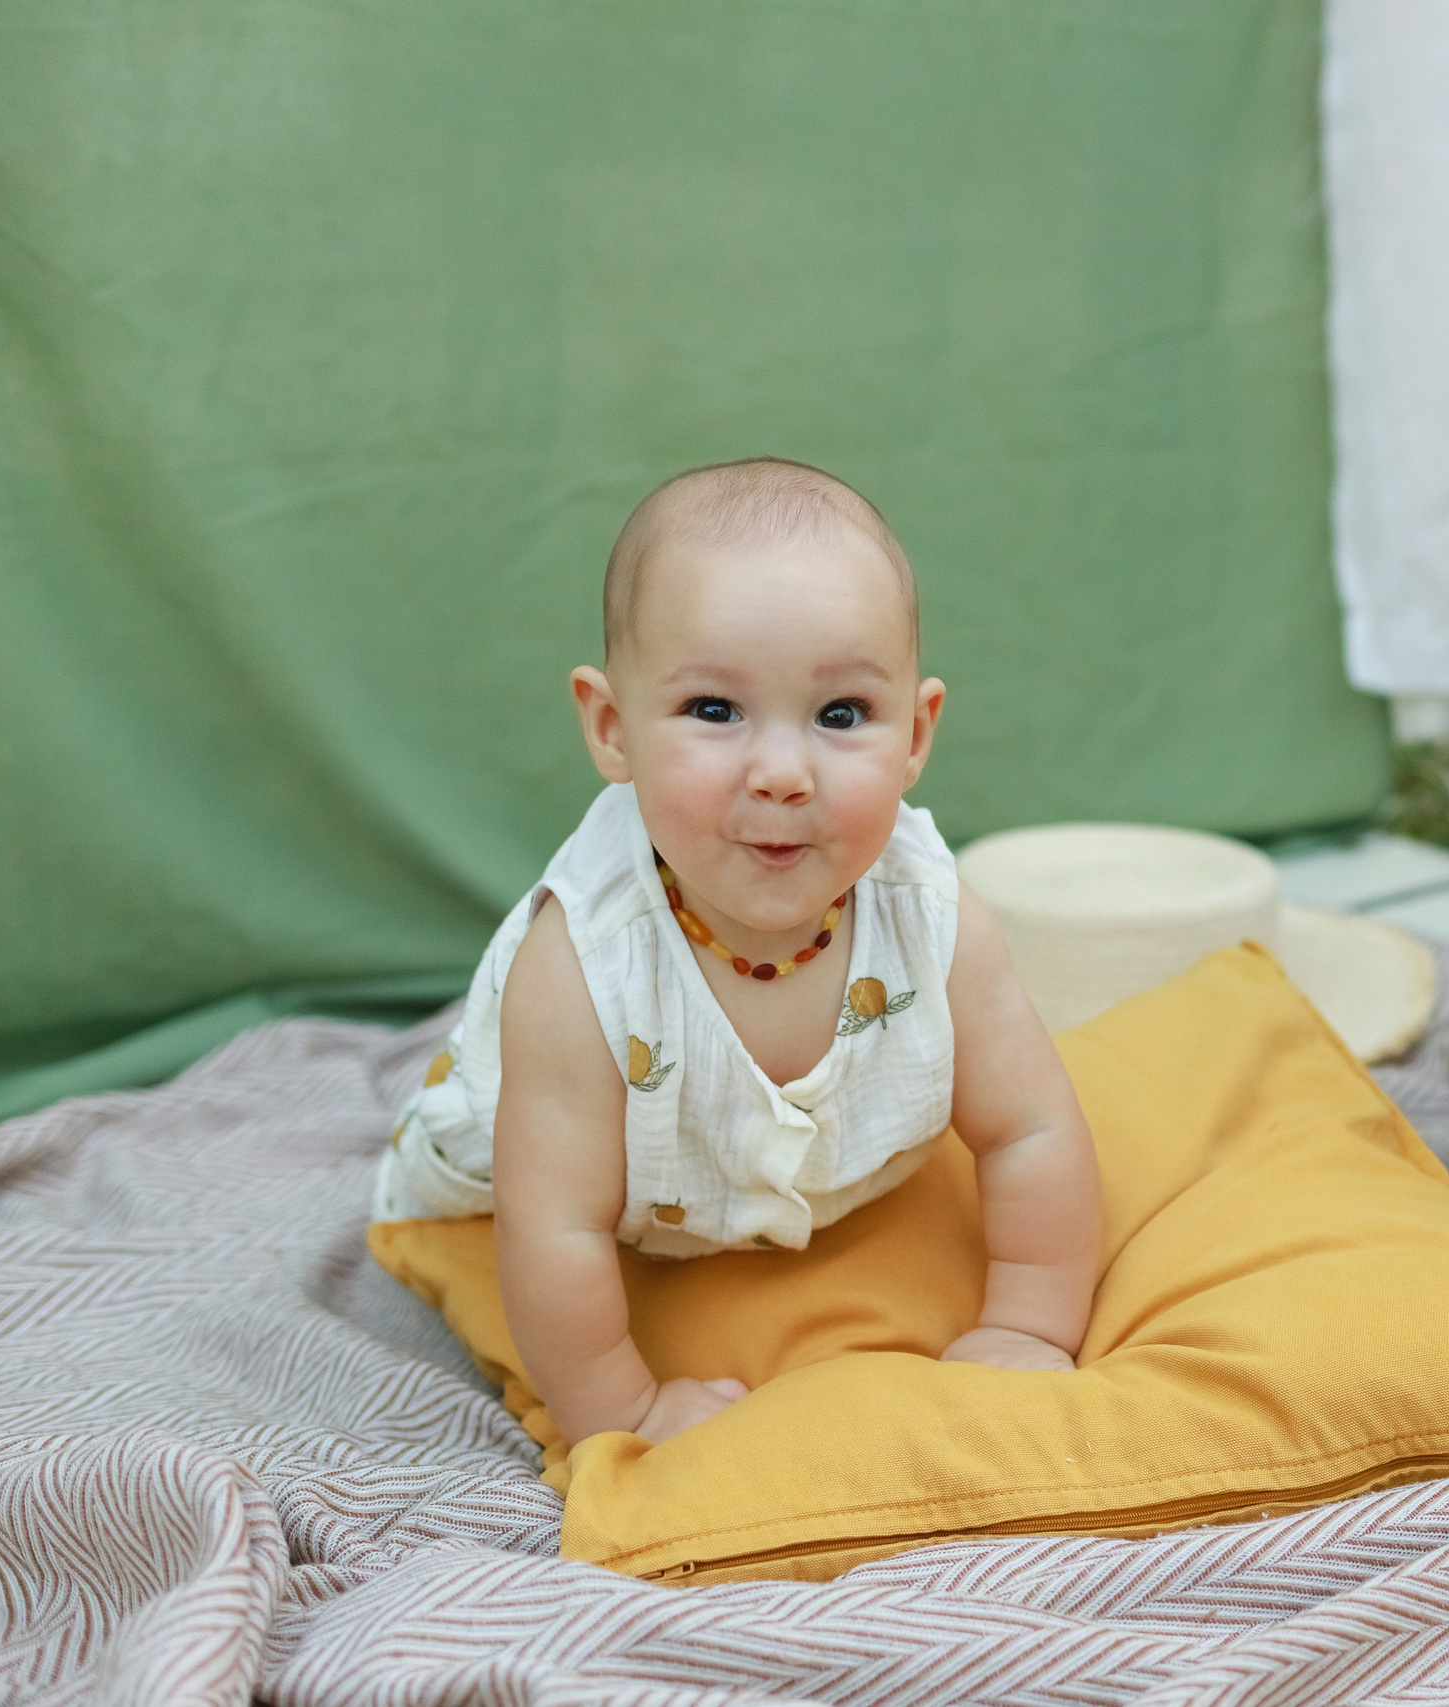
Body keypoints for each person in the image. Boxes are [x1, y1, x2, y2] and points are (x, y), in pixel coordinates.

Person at [373, 457, 1101, 1446]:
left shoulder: (933, 918)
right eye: (714, 711)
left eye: (841, 715)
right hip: (604, 1196)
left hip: (813, 1183)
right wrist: (622, 1411)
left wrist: (1027, 1324)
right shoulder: (581, 970)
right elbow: (558, 1232)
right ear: (612, 727)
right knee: (522, 1196)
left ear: (917, 732)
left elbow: (1030, 1133)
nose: (784, 773)